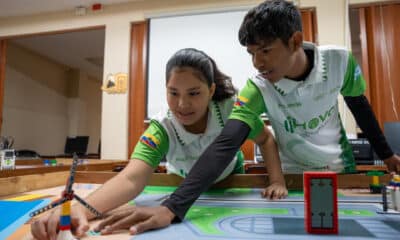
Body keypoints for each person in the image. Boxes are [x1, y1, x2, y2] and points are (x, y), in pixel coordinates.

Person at [85, 0, 400, 236]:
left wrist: (386, 154)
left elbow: (359, 105)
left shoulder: (339, 60)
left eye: (264, 51)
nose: (257, 63)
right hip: (290, 175)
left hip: (338, 169)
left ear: (294, 40)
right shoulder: (256, 88)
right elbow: (226, 144)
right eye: (251, 54)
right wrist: (174, 206)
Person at [30, 48, 287, 239]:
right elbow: (131, 178)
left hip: (231, 183)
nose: (182, 105)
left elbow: (265, 138)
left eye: (194, 93)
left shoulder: (233, 110)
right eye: (173, 93)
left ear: (210, 90)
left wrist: (276, 180)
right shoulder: (161, 127)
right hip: (181, 189)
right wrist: (81, 209)